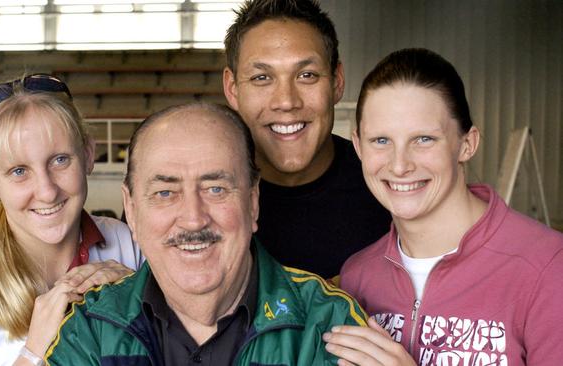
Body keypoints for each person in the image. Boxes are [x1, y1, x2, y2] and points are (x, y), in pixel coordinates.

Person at [45, 102, 368, 365]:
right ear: (130, 209)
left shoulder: (327, 323)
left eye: (216, 188)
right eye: (165, 193)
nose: (193, 219)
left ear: (253, 201)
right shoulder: (90, 329)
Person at [323, 48, 563, 365]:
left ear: (467, 143)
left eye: (423, 139)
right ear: (358, 146)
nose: (399, 165)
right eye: (381, 140)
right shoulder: (357, 278)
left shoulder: (547, 268)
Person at [0, 74, 143, 366]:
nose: (47, 192)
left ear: (87, 153)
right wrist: (34, 353)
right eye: (19, 171)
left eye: (60, 160)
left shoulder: (129, 245)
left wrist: (140, 294)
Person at [223, 0, 390, 279]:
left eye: (307, 75)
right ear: (232, 88)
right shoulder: (202, 199)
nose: (286, 101)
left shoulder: (391, 187)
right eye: (262, 77)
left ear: (336, 81)